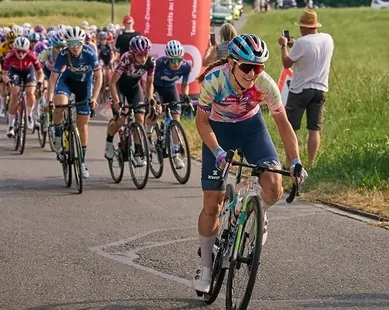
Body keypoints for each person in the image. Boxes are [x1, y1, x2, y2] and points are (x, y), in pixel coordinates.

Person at [192, 34, 308, 293]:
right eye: (246, 67)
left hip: (251, 129)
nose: (252, 73)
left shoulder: (265, 85)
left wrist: (296, 161)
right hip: (218, 132)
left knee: (273, 186)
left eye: (258, 67)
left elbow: (283, 124)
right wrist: (218, 152)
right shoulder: (214, 80)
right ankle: (206, 265)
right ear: (232, 63)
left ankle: (257, 212)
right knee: (212, 204)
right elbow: (201, 123)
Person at [278, 9, 334, 169]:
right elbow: (312, 49)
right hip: (320, 89)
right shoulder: (327, 39)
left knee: (291, 129)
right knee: (314, 129)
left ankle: (291, 164)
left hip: (300, 90)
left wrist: (284, 46)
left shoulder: (302, 43)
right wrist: (295, 44)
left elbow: (287, 63)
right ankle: (311, 164)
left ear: (303, 27)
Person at [46, 26, 102, 179]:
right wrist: (49, 100)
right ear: (67, 45)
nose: (75, 47)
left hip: (85, 85)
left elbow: (99, 77)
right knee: (59, 105)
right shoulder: (63, 55)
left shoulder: (90, 53)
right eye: (71, 44)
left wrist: (95, 98)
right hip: (67, 82)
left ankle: (82, 162)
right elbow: (52, 79)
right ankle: (58, 135)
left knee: (83, 124)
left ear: (82, 42)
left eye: (77, 43)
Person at [104, 35, 155, 166]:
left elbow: (149, 84)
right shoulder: (126, 59)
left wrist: (150, 99)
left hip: (134, 88)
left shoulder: (150, 62)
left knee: (140, 118)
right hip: (119, 88)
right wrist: (116, 101)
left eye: (145, 54)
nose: (143, 58)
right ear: (133, 54)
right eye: (139, 55)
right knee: (120, 120)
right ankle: (109, 142)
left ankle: (138, 152)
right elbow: (113, 82)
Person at [152, 40, 191, 169]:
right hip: (156, 88)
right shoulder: (159, 64)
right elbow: (149, 83)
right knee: (155, 112)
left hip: (170, 89)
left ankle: (176, 155)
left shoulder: (186, 66)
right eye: (172, 61)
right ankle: (149, 134)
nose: (175, 64)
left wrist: (185, 96)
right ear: (167, 59)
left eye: (178, 60)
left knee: (176, 121)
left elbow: (185, 85)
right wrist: (153, 99)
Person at [2, 36, 44, 137]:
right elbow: (4, 74)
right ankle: (11, 125)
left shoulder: (32, 55)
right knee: (14, 93)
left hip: (28, 71)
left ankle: (29, 115)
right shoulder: (9, 55)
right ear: (14, 49)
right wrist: (8, 82)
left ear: (27, 50)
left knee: (30, 92)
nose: (21, 54)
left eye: (23, 51)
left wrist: (39, 82)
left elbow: (40, 73)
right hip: (14, 71)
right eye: (18, 51)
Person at [0, 31, 18, 117]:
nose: (12, 43)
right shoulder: (3, 47)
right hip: (4, 66)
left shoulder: (19, 47)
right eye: (10, 42)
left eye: (13, 41)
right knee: (2, 86)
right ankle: (3, 107)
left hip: (14, 67)